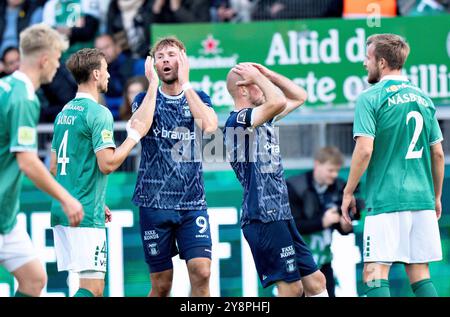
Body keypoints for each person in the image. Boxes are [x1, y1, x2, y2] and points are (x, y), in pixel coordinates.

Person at [341, 33, 445, 297]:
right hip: (422, 198)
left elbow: (364, 149)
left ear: (383, 63)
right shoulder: (424, 98)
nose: (365, 63)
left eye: (368, 57)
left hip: (387, 198)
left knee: (374, 272)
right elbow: (438, 154)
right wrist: (436, 196)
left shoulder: (370, 97)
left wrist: (348, 191)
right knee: (420, 273)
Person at [49, 48, 158, 297]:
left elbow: (55, 167)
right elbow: (107, 164)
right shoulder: (98, 112)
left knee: (84, 286)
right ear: (96, 74)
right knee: (93, 289)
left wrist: (97, 197)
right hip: (85, 213)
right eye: (106, 70)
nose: (109, 75)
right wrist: (133, 136)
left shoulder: (64, 113)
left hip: (64, 209)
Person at [224, 62, 328, 297]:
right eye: (256, 84)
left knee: (316, 282)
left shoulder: (263, 117)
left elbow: (300, 96)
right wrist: (258, 78)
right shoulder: (237, 120)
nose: (264, 86)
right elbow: (278, 102)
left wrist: (267, 74)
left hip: (281, 213)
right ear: (242, 89)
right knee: (291, 288)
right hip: (262, 216)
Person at [0, 23, 84, 297]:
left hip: (6, 217)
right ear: (45, 59)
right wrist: (66, 198)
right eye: (58, 59)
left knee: (34, 279)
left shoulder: (7, 87)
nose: (58, 67)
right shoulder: (23, 97)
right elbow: (27, 161)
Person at [132, 36, 218, 297]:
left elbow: (209, 126)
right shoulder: (143, 98)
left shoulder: (199, 96)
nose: (166, 60)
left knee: (202, 272)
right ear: (154, 65)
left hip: (192, 203)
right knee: (161, 285)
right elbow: (138, 127)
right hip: (154, 203)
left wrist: (186, 83)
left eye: (172, 54)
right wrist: (152, 87)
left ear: (183, 59)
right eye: (160, 57)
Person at [286, 146, 363, 297]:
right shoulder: (295, 187)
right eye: (330, 170)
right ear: (317, 164)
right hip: (298, 262)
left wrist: (345, 226)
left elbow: (342, 226)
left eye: (337, 170)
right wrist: (322, 221)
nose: (334, 175)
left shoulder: (339, 187)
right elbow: (291, 226)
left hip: (324, 261)